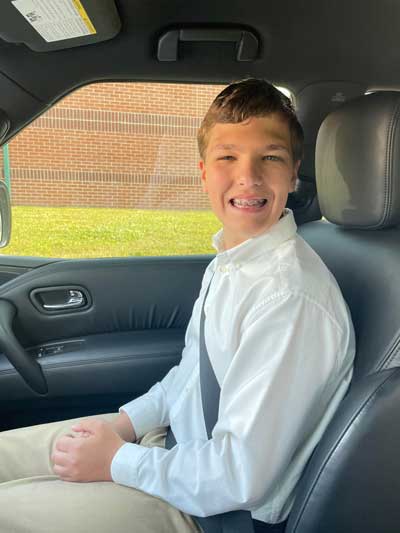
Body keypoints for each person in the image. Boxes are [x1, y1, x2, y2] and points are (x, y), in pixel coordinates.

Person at [0, 79, 355, 533]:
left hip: (212, 512)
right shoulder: (232, 263)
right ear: (204, 171)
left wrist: (117, 461)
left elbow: (238, 476)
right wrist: (127, 426)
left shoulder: (289, 297)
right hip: (173, 456)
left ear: (292, 172)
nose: (248, 176)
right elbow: (189, 377)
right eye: (228, 156)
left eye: (270, 157)